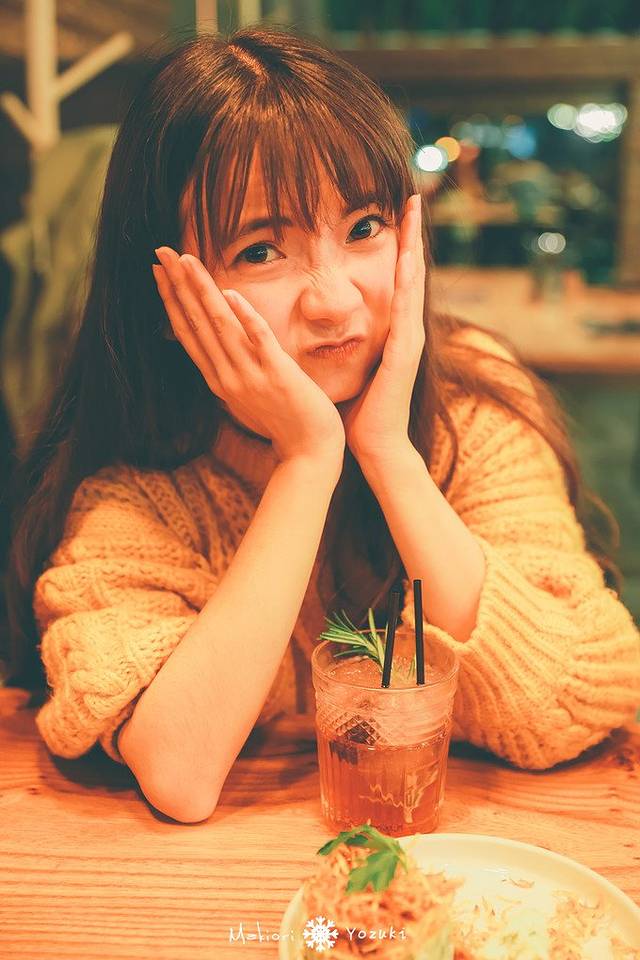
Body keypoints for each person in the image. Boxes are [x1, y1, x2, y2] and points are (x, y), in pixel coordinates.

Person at [3, 27, 639, 824]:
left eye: (365, 227)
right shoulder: (139, 492)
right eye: (261, 250)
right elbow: (179, 773)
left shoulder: (470, 406)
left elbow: (566, 704)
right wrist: (308, 460)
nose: (334, 301)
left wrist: (389, 454)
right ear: (168, 298)